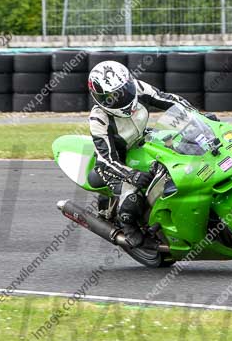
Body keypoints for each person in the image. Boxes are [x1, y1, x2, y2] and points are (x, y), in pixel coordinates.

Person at [87, 60, 214, 248]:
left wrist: (199, 117)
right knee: (131, 199)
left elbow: (169, 100)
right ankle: (127, 226)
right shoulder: (99, 119)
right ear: (99, 97)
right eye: (113, 97)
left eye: (124, 90)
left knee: (184, 147)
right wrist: (132, 174)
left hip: (142, 140)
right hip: (116, 163)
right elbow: (106, 159)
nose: (122, 98)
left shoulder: (137, 88)